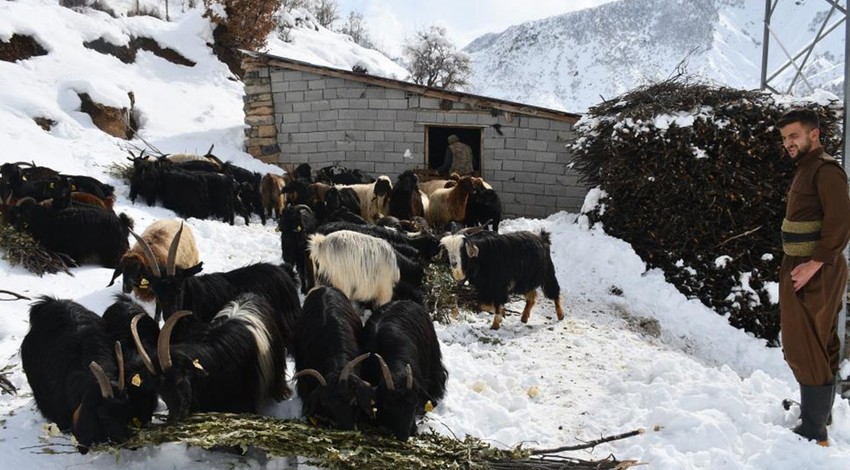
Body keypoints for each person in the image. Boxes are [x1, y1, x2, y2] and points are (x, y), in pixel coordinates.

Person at [777, 108, 850, 446]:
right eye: (784, 138)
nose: (788, 143)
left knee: (803, 343)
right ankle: (818, 419)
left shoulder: (826, 170)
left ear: (814, 134)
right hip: (802, 263)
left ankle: (814, 430)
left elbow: (839, 222)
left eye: (793, 135)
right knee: (815, 342)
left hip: (815, 268)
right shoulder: (805, 169)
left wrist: (814, 263)